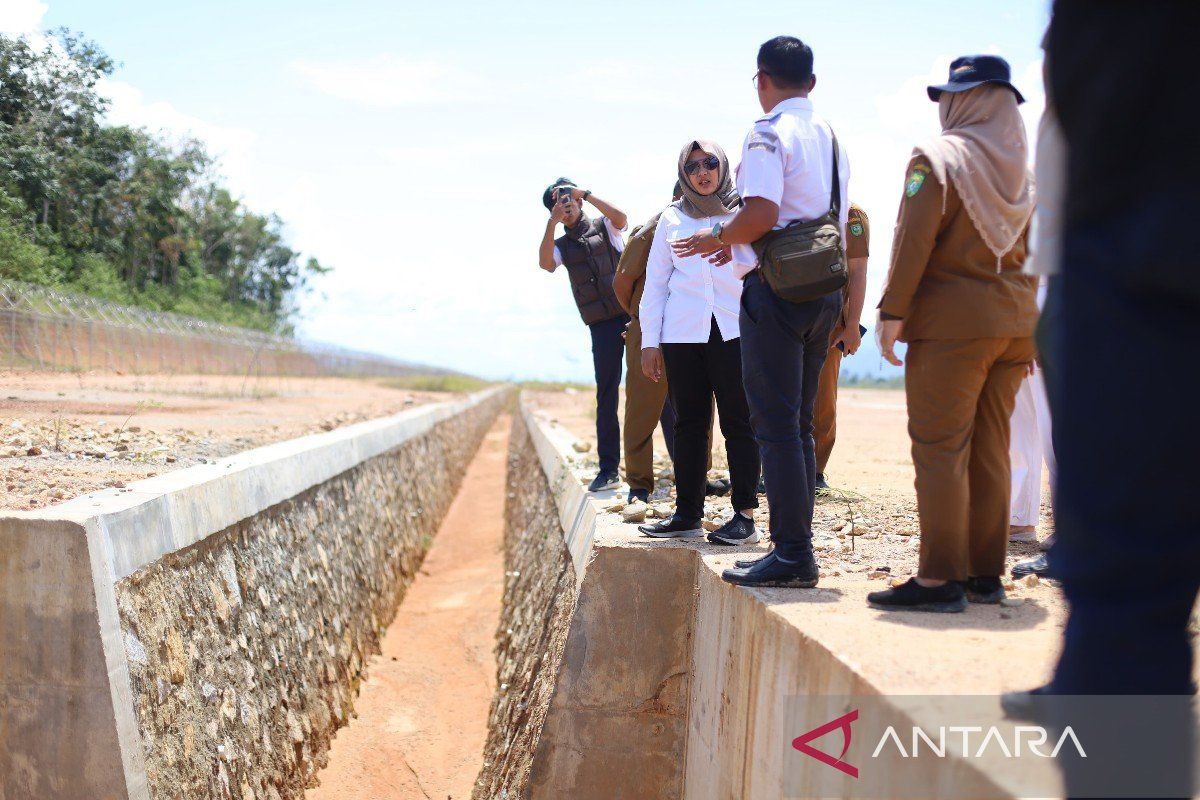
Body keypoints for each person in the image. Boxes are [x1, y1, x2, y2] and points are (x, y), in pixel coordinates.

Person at [673, 36, 849, 587]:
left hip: (777, 293)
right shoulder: (830, 136)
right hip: (824, 287)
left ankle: (793, 554)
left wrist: (720, 236)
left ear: (761, 79)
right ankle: (797, 548)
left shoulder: (768, 131)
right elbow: (822, 216)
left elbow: (764, 210)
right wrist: (743, 241)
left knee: (774, 424)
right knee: (797, 423)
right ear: (812, 83)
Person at [867, 56, 1037, 613]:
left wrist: (892, 313)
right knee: (992, 448)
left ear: (966, 102)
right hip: (1016, 328)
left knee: (941, 448)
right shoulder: (1023, 173)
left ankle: (940, 581)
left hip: (954, 330)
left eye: (951, 97)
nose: (944, 106)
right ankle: (985, 575)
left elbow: (913, 241)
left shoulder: (937, 160)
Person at [637, 141, 761, 545]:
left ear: (722, 167)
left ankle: (744, 516)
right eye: (692, 167)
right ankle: (687, 513)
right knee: (688, 424)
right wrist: (649, 343)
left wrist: (735, 247)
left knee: (738, 421)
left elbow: (762, 265)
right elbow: (655, 283)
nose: (702, 172)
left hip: (735, 331)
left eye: (710, 163)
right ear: (683, 175)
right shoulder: (671, 218)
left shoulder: (745, 212)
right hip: (682, 335)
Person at [538, 179, 630, 492]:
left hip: (632, 316)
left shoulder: (606, 227)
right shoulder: (561, 246)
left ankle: (689, 472)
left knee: (658, 392)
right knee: (607, 395)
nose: (566, 204)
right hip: (601, 326)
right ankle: (609, 470)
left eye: (569, 197)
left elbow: (621, 218)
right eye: (558, 203)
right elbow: (545, 263)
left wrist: (587, 194)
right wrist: (552, 223)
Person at [612, 184, 681, 505]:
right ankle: (639, 483)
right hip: (649, 331)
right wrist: (639, 319)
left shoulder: (716, 227)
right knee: (641, 409)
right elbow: (623, 282)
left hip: (689, 330)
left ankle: (693, 476)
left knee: (696, 409)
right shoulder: (652, 230)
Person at [812, 202, 870, 492]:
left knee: (822, 401)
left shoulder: (850, 215)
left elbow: (858, 271)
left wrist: (852, 325)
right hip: (784, 317)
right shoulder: (791, 204)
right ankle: (771, 471)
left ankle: (815, 470)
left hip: (830, 322)